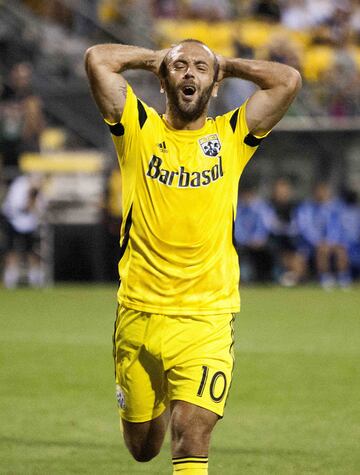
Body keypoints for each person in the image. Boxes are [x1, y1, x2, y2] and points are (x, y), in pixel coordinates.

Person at [85, 39, 301, 473]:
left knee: (191, 431)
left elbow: (288, 80)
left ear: (214, 84)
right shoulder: (138, 127)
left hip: (207, 317)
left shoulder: (230, 136)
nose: (190, 73)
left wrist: (225, 63)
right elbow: (97, 59)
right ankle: (162, 392)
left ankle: (183, 393)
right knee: (143, 447)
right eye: (180, 67)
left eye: (200, 68)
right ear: (164, 80)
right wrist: (156, 58)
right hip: (139, 312)